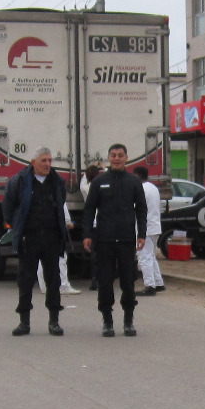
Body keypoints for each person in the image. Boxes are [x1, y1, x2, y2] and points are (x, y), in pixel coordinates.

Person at [82, 144, 147, 337]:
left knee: (128, 282)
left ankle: (128, 321)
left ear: (127, 158)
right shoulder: (99, 181)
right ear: (108, 158)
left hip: (127, 240)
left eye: (120, 155)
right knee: (105, 282)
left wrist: (141, 234)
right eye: (113, 155)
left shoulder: (133, 182)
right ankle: (107, 321)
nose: (117, 158)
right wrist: (87, 234)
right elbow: (89, 210)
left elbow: (141, 209)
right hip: (104, 240)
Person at [2, 147, 69, 336]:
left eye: (49, 160)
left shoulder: (57, 181)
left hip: (51, 237)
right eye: (43, 160)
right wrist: (16, 226)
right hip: (28, 238)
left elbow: (61, 202)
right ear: (33, 162)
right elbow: (8, 205)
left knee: (53, 279)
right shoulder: (20, 181)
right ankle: (24, 322)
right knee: (25, 280)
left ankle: (54, 321)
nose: (48, 164)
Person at [132, 166, 165, 296]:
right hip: (155, 226)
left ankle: (150, 286)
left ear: (137, 176)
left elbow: (134, 207)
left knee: (144, 257)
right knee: (151, 256)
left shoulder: (140, 189)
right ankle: (158, 283)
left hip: (145, 227)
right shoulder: (153, 188)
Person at [37, 202, 77, 295]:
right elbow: (62, 207)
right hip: (53, 229)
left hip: (39, 227)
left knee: (41, 257)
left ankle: (43, 286)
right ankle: (63, 285)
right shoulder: (56, 190)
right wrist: (68, 222)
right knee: (61, 257)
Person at [80, 161, 104, 293]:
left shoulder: (85, 187)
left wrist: (88, 168)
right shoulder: (101, 185)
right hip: (104, 222)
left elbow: (83, 180)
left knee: (94, 254)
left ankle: (95, 279)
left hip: (93, 223)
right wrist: (105, 169)